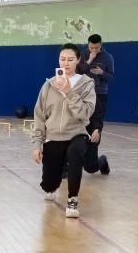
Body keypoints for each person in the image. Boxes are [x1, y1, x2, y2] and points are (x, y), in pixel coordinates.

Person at [32, 43, 96, 218]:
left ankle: (72, 199)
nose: (66, 63)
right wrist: (37, 144)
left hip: (77, 134)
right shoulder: (48, 86)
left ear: (78, 60)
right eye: (62, 59)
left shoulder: (86, 85)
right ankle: (52, 186)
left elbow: (85, 113)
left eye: (70, 59)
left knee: (76, 153)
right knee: (48, 184)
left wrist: (69, 92)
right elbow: (39, 116)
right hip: (53, 136)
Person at [76, 34, 114, 175]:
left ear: (101, 45)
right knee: (78, 125)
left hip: (99, 93)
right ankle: (68, 164)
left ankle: (101, 160)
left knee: (95, 124)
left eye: (96, 48)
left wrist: (102, 72)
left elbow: (111, 77)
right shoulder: (82, 55)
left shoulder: (107, 57)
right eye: (91, 47)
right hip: (83, 93)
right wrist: (90, 59)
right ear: (88, 44)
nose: (94, 50)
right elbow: (78, 72)